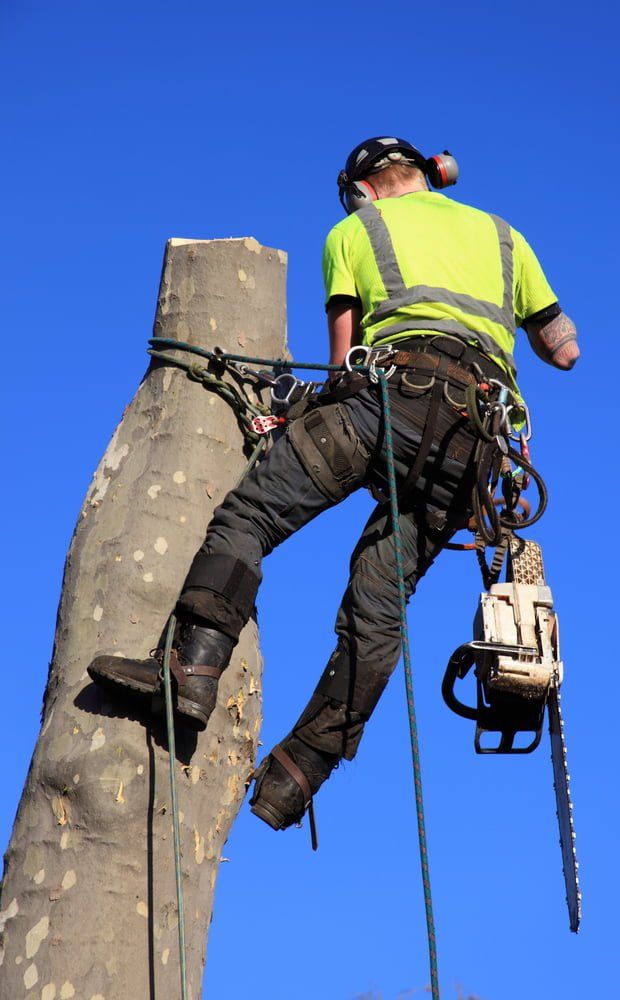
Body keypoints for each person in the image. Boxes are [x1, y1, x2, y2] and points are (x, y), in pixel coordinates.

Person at [88, 136, 579, 834]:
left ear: (362, 188)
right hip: (472, 447)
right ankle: (299, 773)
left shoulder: (355, 231)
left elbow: (343, 360)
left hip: (387, 403)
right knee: (377, 609)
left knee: (250, 516)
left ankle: (191, 673)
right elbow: (564, 349)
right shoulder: (503, 237)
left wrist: (294, 407)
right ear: (425, 177)